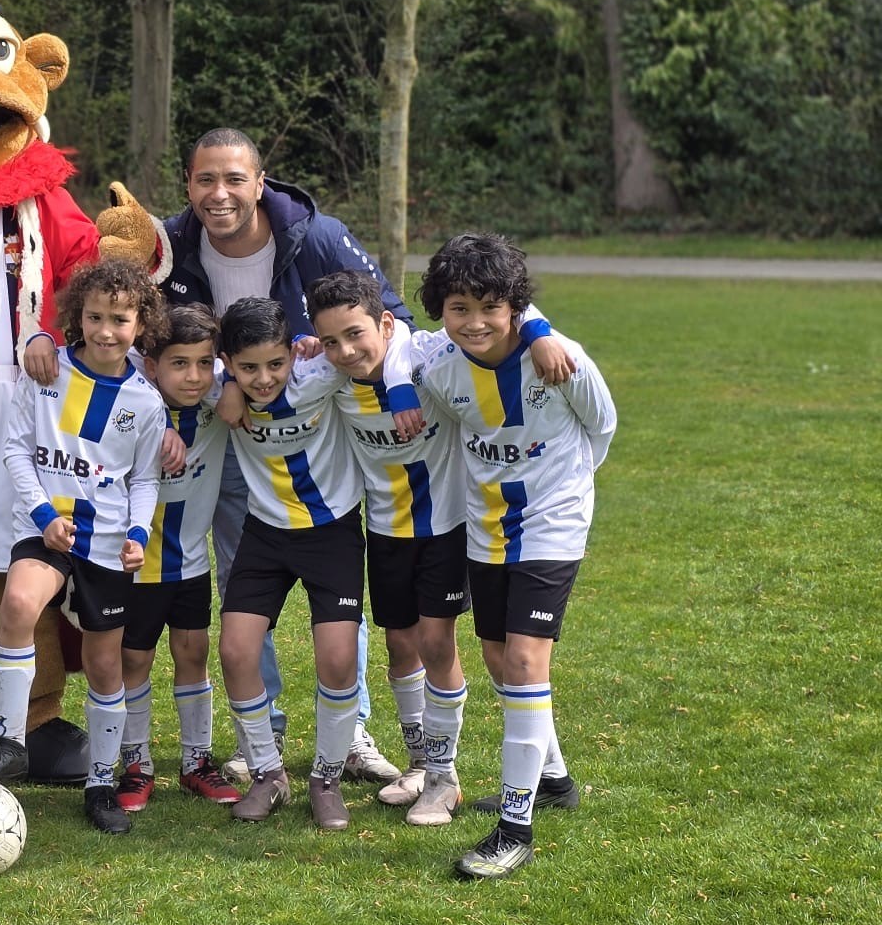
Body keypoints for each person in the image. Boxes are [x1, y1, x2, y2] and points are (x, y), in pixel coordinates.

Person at [160, 129, 404, 783]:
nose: (220, 194)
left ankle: (350, 732)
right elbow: (142, 335)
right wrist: (221, 386)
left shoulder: (316, 237)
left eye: (234, 179)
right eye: (206, 180)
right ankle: (261, 731)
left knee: (337, 596)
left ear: (260, 181)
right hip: (227, 437)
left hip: (320, 442)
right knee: (244, 584)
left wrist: (397, 395)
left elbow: (391, 318)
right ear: (188, 185)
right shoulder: (168, 245)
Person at [309, 271, 569, 828]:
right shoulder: (329, 379)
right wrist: (300, 350)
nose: (346, 351)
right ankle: (421, 765)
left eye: (356, 334)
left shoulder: (427, 360)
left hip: (449, 529)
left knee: (435, 642)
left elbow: (486, 329)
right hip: (384, 531)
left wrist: (541, 328)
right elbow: (275, 371)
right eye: (330, 341)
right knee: (400, 647)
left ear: (384, 323)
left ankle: (445, 780)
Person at [412, 234, 616, 879]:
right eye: (457, 308)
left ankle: (514, 827)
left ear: (514, 307)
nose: (474, 322)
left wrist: (567, 489)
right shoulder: (442, 372)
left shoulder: (561, 360)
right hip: (487, 526)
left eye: (490, 308)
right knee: (501, 657)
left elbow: (602, 426)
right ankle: (554, 778)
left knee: (527, 661)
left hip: (552, 524)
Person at [0, 258, 168, 836]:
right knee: (20, 604)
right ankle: (8, 740)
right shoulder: (47, 375)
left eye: (120, 320)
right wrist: (45, 514)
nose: (106, 331)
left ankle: (101, 783)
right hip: (46, 527)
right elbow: (16, 452)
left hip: (106, 540)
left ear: (140, 324)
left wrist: (136, 534)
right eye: (95, 317)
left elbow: (145, 479)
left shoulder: (146, 403)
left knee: (106, 666)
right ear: (77, 317)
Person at [213, 297, 370, 831]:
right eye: (248, 368)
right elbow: (158, 362)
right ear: (228, 362)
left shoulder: (317, 374)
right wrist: (225, 387)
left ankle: (325, 778)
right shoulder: (216, 381)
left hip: (333, 533)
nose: (264, 378)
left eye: (275, 364)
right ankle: (267, 774)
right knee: (236, 651)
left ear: (292, 354)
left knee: (338, 659)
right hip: (266, 534)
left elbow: (380, 348)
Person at [116, 304, 238, 812]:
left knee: (193, 654)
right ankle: (136, 763)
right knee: (134, 659)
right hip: (135, 561)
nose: (194, 376)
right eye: (180, 363)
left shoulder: (216, 399)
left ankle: (196, 762)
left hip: (191, 561)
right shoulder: (134, 402)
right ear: (152, 365)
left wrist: (230, 383)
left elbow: (263, 367)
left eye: (205, 363)